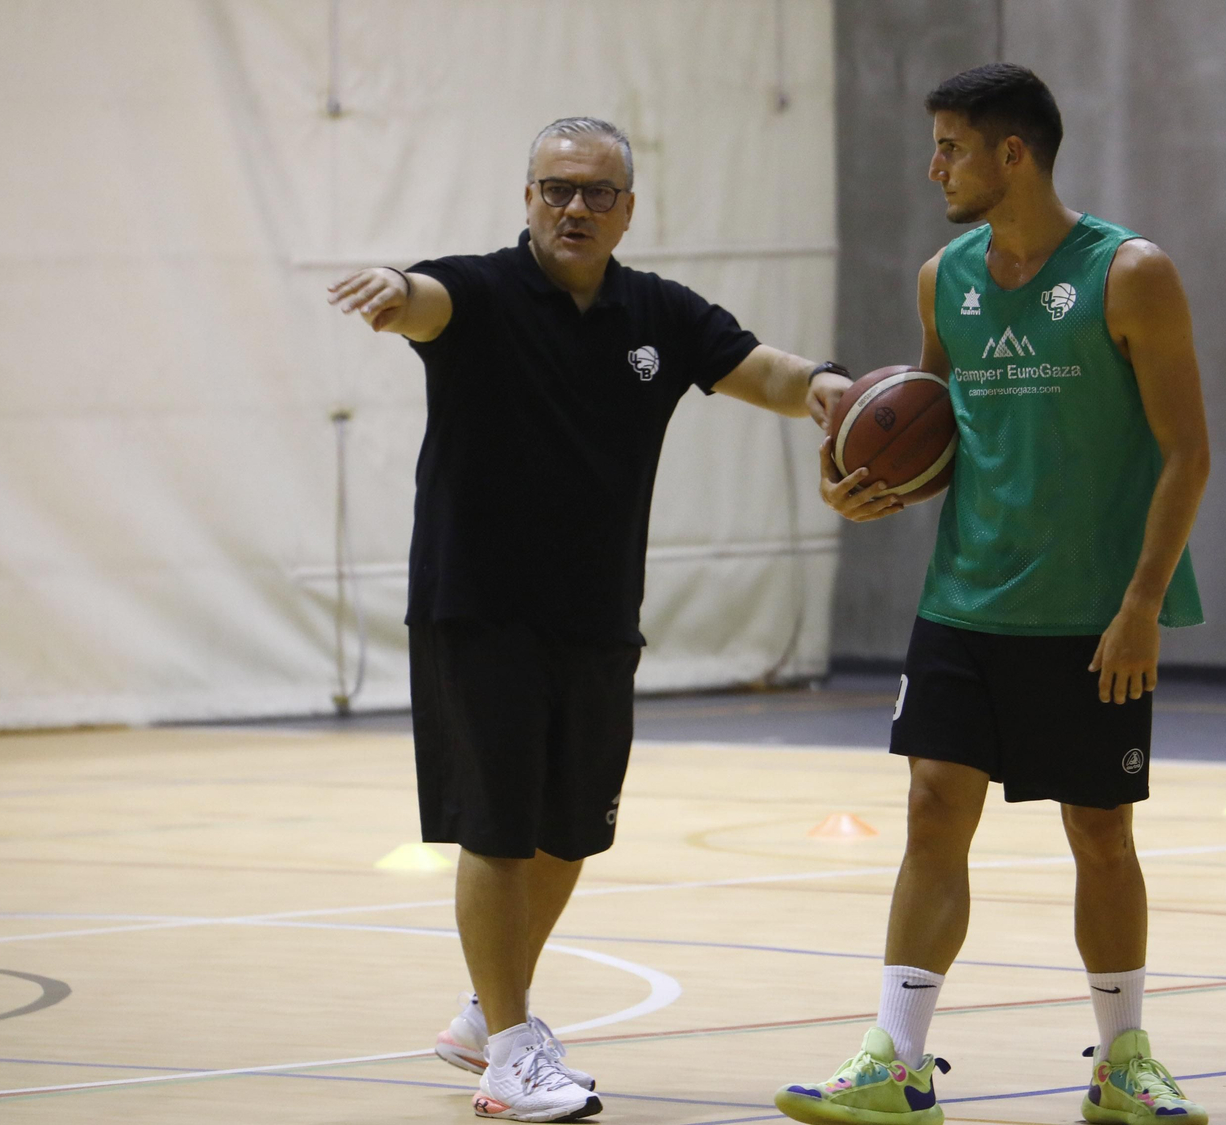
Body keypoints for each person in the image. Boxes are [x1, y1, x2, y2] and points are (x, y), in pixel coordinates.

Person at [328, 116, 851, 1123]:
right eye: (554, 189)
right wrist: (395, 294)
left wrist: (827, 386)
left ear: (626, 210)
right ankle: (512, 1055)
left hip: (599, 611)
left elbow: (762, 371)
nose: (573, 206)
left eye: (595, 193)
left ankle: (487, 1012)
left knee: (572, 835)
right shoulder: (475, 291)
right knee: (499, 830)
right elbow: (424, 302)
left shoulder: (658, 313)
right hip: (477, 607)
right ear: (526, 198)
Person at [776, 65, 1211, 1125]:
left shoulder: (1127, 272)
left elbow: (1187, 454)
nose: (934, 167)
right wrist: (864, 481)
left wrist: (1142, 604)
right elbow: (929, 422)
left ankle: (1121, 1061)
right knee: (932, 813)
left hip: (1088, 617)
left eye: (951, 146)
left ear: (1011, 153)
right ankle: (896, 1062)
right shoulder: (944, 277)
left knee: (1099, 835)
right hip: (963, 602)